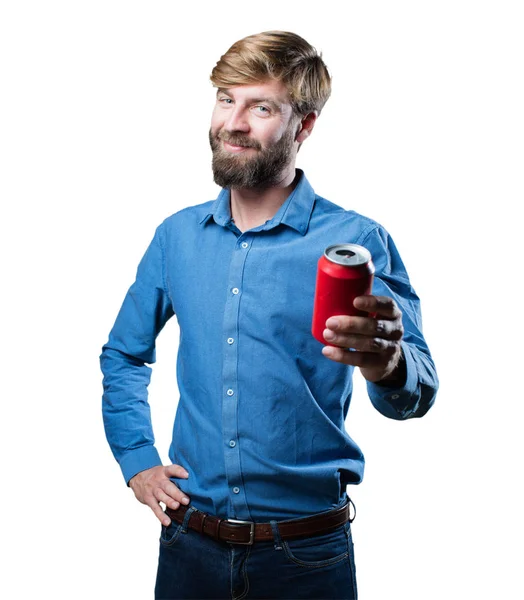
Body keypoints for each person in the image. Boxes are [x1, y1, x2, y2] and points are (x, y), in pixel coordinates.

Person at [100, 30, 438, 600]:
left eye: (261, 107)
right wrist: (138, 460)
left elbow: (419, 391)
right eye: (226, 98)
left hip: (306, 557)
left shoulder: (357, 241)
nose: (233, 122)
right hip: (189, 549)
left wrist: (387, 366)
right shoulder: (176, 237)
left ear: (303, 126)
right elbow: (124, 355)